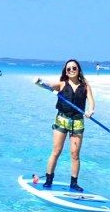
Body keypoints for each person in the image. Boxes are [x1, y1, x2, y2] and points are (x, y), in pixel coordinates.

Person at [35, 59, 95, 192]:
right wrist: (39, 82)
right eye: (69, 69)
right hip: (62, 119)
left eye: (74, 68)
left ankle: (73, 183)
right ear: (66, 72)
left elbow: (91, 102)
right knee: (56, 151)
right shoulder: (62, 84)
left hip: (78, 121)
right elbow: (48, 85)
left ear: (78, 69)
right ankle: (49, 180)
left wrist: (90, 111)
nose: (72, 70)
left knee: (75, 154)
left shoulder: (85, 86)